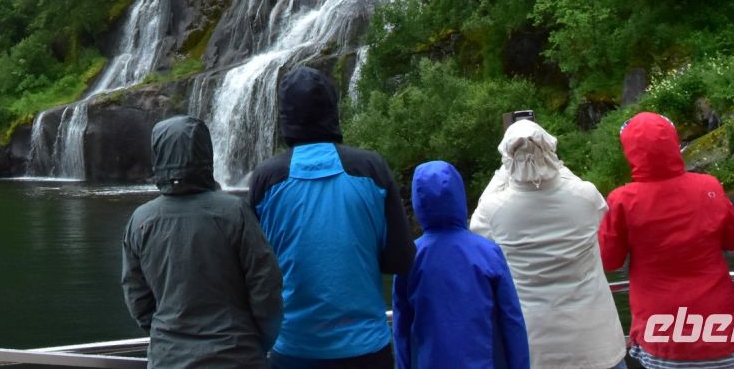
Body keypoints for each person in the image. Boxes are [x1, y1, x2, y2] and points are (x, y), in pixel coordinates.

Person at [247, 66, 415, 368]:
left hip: (293, 349)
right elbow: (401, 259)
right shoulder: (371, 168)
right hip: (366, 350)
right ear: (332, 108)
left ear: (285, 115)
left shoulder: (265, 179)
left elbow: (252, 272)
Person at [121, 115, 284, 368]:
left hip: (168, 359)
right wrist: (257, 342)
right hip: (237, 357)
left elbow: (137, 297)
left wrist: (166, 336)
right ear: (204, 153)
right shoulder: (235, 212)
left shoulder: (140, 220)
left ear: (159, 155)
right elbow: (267, 286)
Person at [470, 119, 627, 369]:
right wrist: (551, 164)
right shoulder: (585, 196)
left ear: (508, 160)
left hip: (536, 348)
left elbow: (477, 233)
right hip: (597, 343)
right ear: (551, 151)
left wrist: (503, 173)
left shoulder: (494, 210)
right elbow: (579, 191)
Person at [599, 111, 734, 368]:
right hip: (718, 321)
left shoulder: (622, 200)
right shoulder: (708, 187)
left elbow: (609, 260)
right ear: (673, 143)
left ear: (630, 151)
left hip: (660, 326)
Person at [394, 159, 530, 369]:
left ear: (417, 200)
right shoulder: (488, 252)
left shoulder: (409, 257)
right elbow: (512, 320)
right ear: (459, 196)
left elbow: (401, 327)